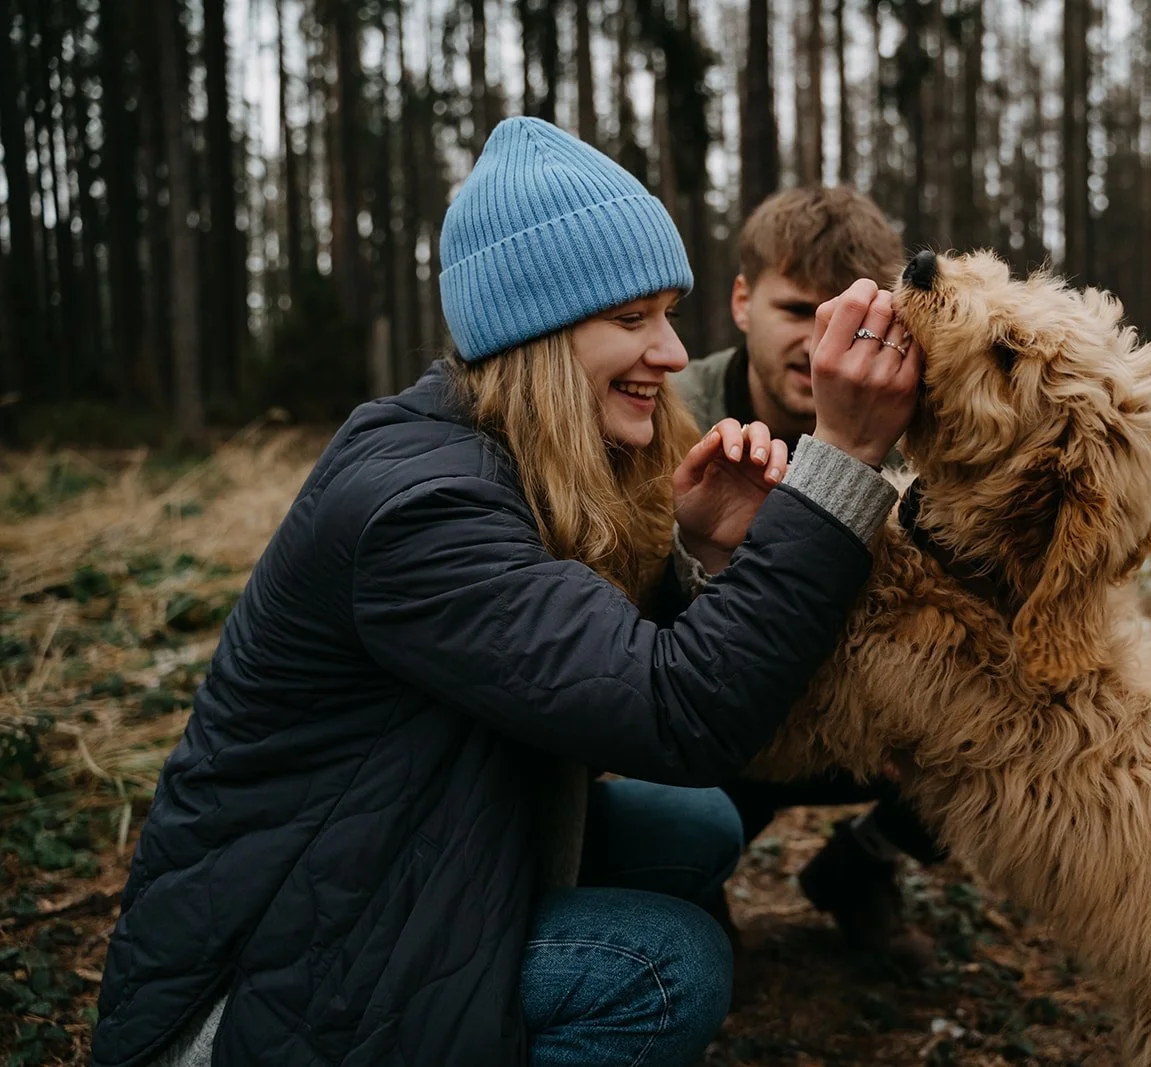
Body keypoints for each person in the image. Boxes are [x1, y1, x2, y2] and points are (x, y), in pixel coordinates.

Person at [90, 118, 921, 1067]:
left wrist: (693, 550)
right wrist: (844, 462)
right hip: (253, 990)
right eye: (630, 318)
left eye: (667, 313)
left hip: (407, 847)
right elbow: (678, 711)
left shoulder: (501, 456)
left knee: (693, 824)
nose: (667, 350)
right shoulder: (419, 509)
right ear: (534, 329)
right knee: (667, 967)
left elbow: (582, 665)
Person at [672, 187, 947, 963]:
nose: (826, 345)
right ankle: (692, 878)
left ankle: (863, 865)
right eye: (797, 311)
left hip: (866, 724)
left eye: (854, 320)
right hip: (711, 729)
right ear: (740, 301)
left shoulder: (920, 435)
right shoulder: (668, 414)